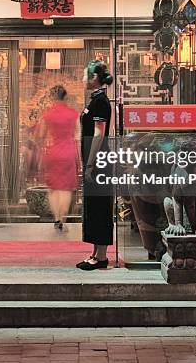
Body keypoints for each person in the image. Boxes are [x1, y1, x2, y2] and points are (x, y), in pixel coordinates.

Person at [77, 60, 114, 270]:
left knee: (99, 207)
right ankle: (95, 252)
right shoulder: (95, 100)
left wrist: (90, 165)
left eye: (85, 75)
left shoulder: (101, 102)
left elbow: (99, 135)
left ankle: (101, 257)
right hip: (93, 161)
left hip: (99, 162)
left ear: (93, 78)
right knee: (93, 206)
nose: (83, 79)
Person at [39, 85, 80, 232]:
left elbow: (42, 134)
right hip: (68, 151)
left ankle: (56, 218)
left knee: (53, 188)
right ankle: (63, 218)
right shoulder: (73, 114)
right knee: (66, 188)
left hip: (53, 151)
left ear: (53, 97)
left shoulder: (48, 114)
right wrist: (79, 158)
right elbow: (77, 136)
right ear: (65, 97)